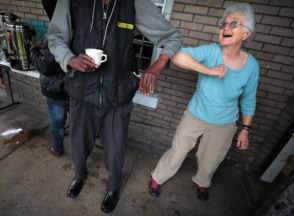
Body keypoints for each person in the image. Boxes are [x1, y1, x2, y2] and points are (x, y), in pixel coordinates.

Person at [47, 0, 182, 213]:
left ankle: (113, 187)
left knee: (116, 149)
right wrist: (70, 59)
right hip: (82, 90)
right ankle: (79, 175)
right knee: (78, 143)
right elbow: (55, 37)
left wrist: (158, 64)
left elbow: (172, 36)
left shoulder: (134, 3)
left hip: (118, 93)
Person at [148, 2, 259, 201]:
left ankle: (202, 182)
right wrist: (209, 70)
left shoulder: (252, 66)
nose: (225, 27)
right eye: (223, 24)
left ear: (246, 34)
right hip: (195, 115)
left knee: (210, 161)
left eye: (234, 24)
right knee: (177, 152)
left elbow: (249, 99)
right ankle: (157, 177)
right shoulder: (211, 51)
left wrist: (245, 129)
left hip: (224, 123)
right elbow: (177, 56)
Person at [30, 0, 69, 157]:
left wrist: (33, 51)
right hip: (75, 88)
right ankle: (82, 154)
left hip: (57, 90)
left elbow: (47, 67)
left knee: (57, 123)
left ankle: (57, 149)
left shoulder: (56, 31)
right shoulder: (80, 27)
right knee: (77, 123)